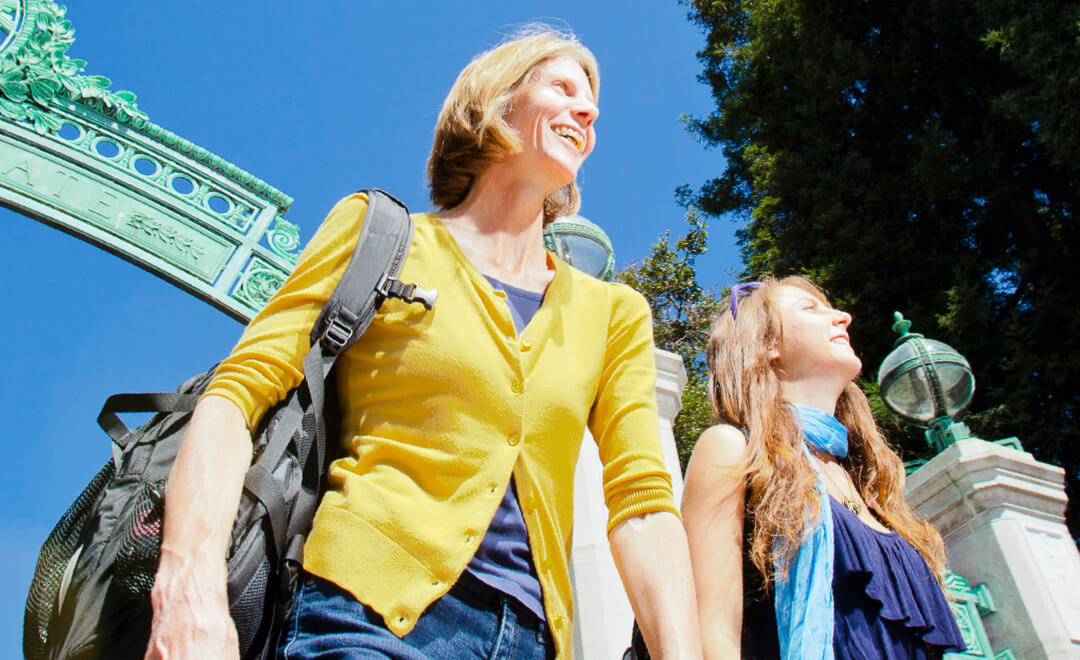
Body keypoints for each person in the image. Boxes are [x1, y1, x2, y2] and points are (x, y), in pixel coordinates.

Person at [144, 26, 702, 660]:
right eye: (563, 87)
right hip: (362, 621)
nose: (588, 109)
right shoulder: (379, 234)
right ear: (497, 99)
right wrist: (188, 586)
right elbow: (235, 395)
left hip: (534, 642)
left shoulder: (614, 313)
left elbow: (644, 500)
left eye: (593, 101)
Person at [681, 276, 966, 659]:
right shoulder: (733, 450)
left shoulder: (866, 484)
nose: (844, 317)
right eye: (810, 309)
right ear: (767, 345)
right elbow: (712, 632)